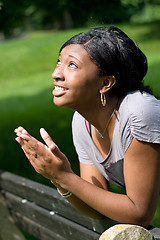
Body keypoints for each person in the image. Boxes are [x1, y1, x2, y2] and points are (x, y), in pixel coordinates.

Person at [15, 26, 160, 227]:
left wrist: (63, 176)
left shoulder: (139, 113)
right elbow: (96, 209)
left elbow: (139, 213)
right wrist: (55, 177)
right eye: (59, 61)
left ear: (106, 83)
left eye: (72, 65)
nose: (56, 73)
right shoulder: (82, 123)